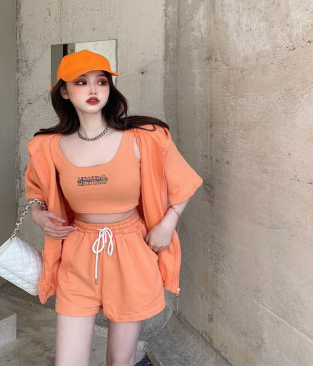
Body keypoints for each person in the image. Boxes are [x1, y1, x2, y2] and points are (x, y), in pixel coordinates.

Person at [24, 49, 203, 366]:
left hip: (131, 248)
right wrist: (39, 216)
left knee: (120, 360)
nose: (93, 89)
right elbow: (35, 194)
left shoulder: (145, 137)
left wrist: (168, 223)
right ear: (64, 91)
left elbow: (184, 183)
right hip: (78, 250)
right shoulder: (46, 146)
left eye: (102, 81)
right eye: (81, 82)